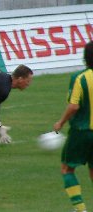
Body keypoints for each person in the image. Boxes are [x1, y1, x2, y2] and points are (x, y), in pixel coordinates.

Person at [53, 40, 93, 212]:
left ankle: (80, 208)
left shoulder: (79, 77)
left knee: (67, 169)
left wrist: (60, 122)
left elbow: (74, 106)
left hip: (81, 131)